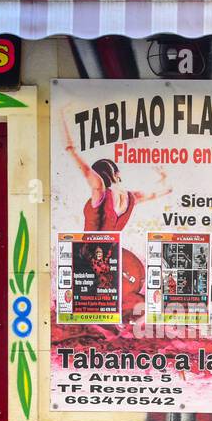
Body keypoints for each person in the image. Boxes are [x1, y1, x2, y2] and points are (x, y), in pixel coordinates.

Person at [62, 117, 170, 319]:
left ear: (100, 176)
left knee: (91, 308)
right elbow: (165, 189)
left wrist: (63, 120)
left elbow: (81, 162)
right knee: (126, 298)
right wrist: (163, 176)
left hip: (92, 256)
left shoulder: (101, 193)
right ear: (117, 173)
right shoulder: (131, 197)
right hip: (122, 260)